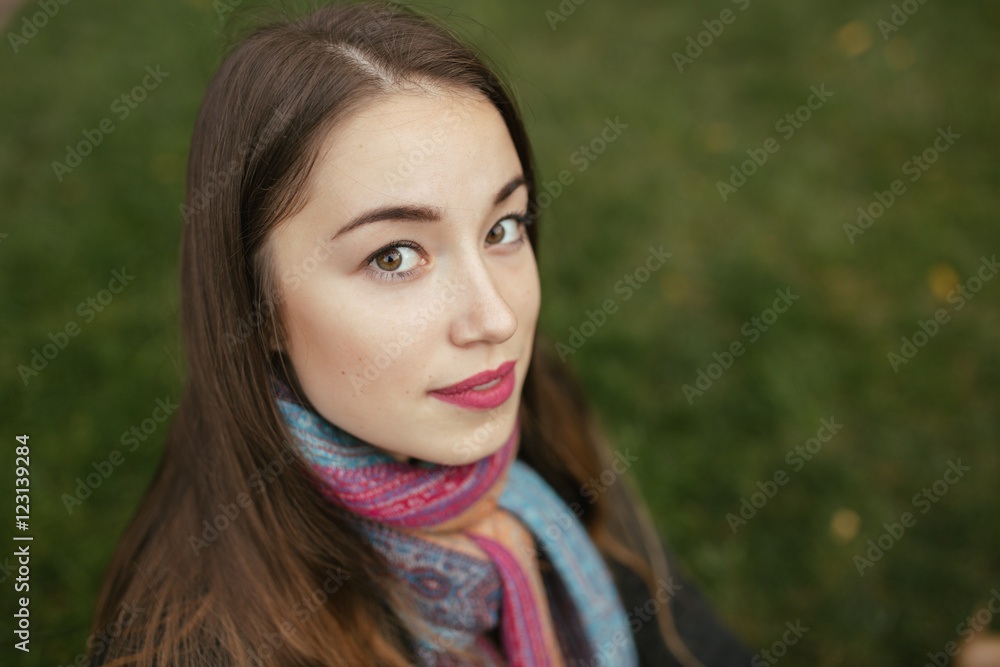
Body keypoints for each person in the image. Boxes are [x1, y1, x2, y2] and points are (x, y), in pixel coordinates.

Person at [87, 2, 751, 665]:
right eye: (394, 256)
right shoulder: (203, 648)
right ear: (256, 308)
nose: (496, 319)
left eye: (502, 228)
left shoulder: (538, 413)